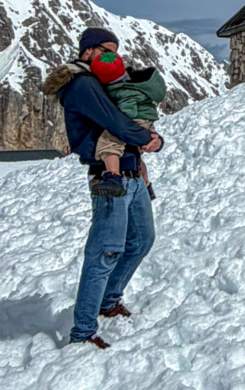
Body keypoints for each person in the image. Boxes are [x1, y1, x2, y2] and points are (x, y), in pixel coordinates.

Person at [41, 27, 163, 349]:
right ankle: (82, 332)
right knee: (105, 250)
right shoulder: (81, 84)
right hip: (108, 177)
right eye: (106, 51)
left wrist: (144, 146)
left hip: (132, 174)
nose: (112, 57)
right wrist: (149, 139)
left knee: (141, 240)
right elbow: (116, 123)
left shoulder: (102, 82)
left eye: (115, 53)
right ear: (87, 52)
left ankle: (108, 300)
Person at [89, 49, 166, 200]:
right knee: (137, 156)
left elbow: (126, 115)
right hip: (147, 121)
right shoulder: (133, 85)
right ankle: (146, 183)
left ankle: (113, 176)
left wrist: (117, 119)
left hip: (136, 120)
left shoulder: (124, 92)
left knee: (109, 142)